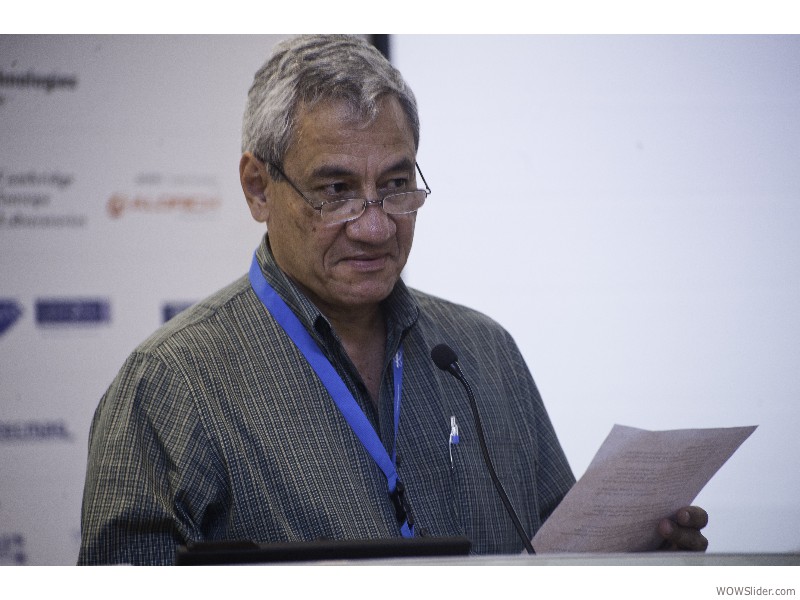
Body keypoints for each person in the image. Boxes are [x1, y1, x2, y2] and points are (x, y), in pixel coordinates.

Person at [78, 34, 708, 565]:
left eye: (397, 184)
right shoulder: (170, 385)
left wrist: (637, 562)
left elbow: (562, 561)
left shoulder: (485, 352)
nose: (376, 226)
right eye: (336, 190)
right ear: (258, 188)